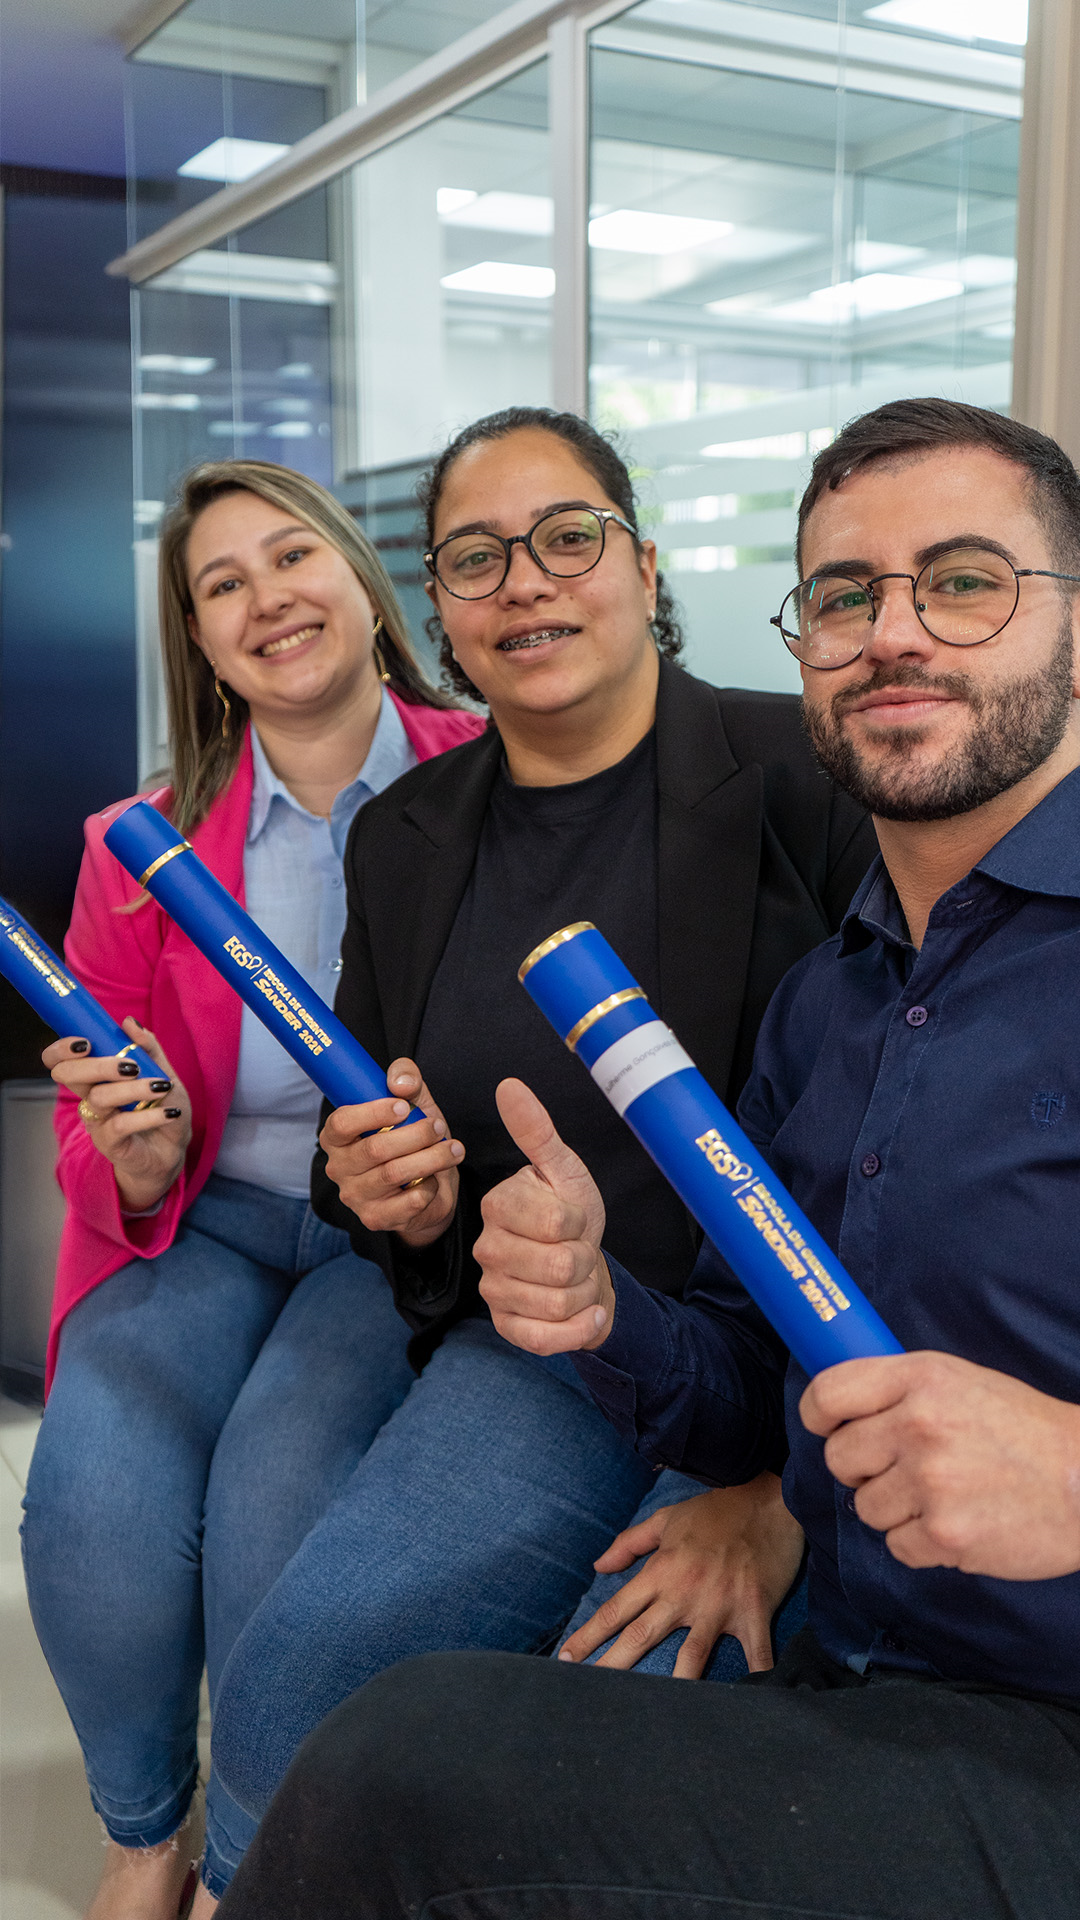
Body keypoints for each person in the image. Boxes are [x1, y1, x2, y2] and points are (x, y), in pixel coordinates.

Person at [217, 398, 1080, 1920]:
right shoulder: (836, 1002)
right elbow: (759, 1362)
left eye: (964, 580)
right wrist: (601, 1308)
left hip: (1028, 1728)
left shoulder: (784, 801)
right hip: (857, 1672)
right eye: (843, 595)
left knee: (396, 1768)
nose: (894, 633)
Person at [20, 459, 483, 1919]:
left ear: (360, 578)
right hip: (207, 1219)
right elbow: (92, 1120)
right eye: (223, 584)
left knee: (277, 1493)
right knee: (93, 1486)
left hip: (388, 1235)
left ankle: (249, 1858)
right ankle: (142, 1835)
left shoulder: (493, 774)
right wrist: (135, 1151)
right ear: (202, 642)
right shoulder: (136, 843)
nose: (267, 598)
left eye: (292, 558)